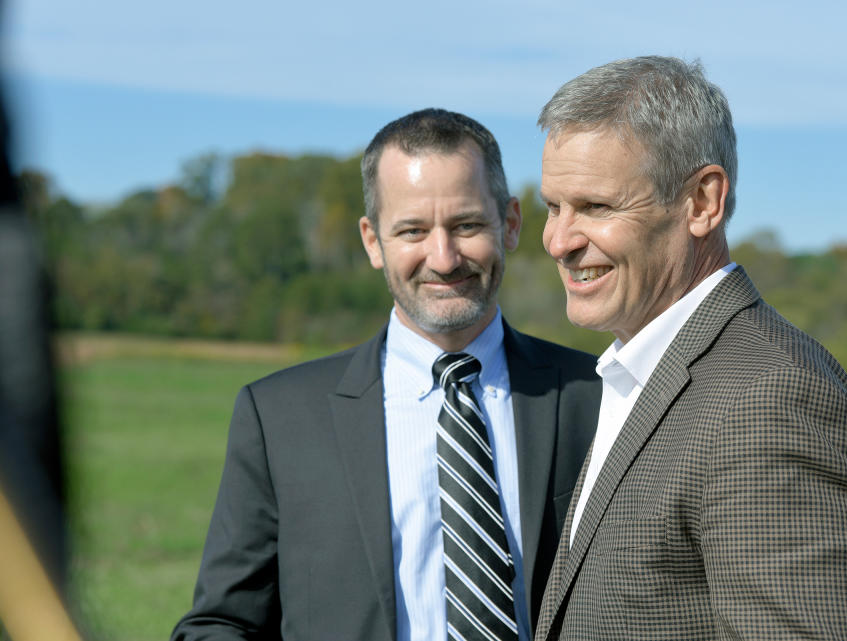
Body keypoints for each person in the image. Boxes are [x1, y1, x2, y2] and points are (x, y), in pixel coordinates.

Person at [171, 108, 600, 641]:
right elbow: (221, 623)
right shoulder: (279, 418)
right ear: (373, 241)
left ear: (510, 223)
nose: (443, 258)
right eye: (413, 230)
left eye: (466, 225)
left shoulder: (601, 396)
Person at [533, 57, 847, 641]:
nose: (559, 241)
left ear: (702, 202)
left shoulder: (770, 402)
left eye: (595, 207)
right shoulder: (646, 371)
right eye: (553, 206)